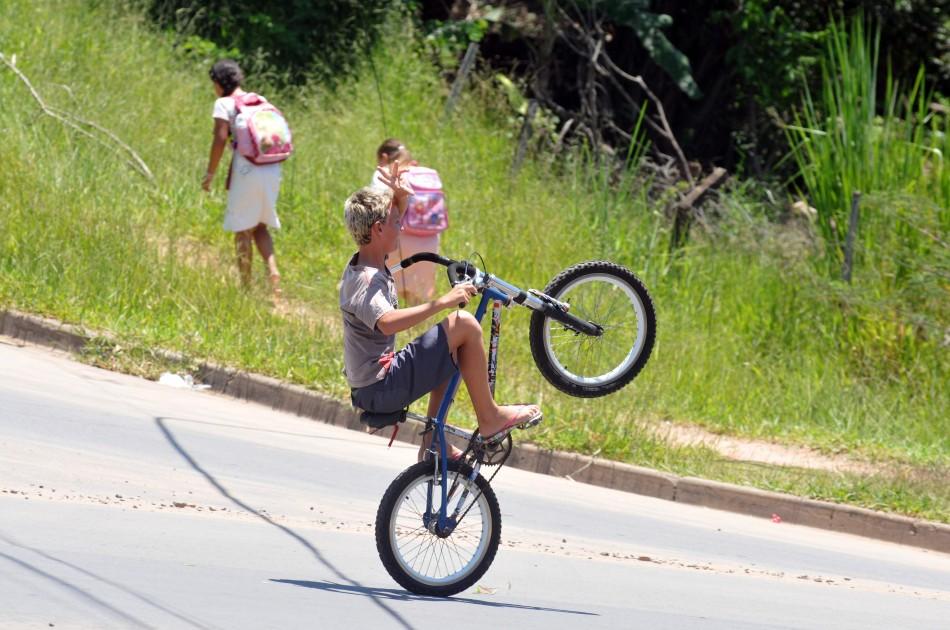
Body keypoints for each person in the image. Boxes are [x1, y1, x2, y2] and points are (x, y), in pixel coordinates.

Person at [341, 162, 542, 461]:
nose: (403, 225)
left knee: (454, 346)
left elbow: (386, 221)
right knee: (463, 323)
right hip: (380, 388)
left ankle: (434, 442)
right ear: (378, 229)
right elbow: (386, 323)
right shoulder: (365, 281)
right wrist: (444, 302)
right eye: (397, 221)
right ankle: (490, 418)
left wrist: (399, 197)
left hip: (378, 383)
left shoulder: (369, 258)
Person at [202, 59, 282, 300]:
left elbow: (219, 138)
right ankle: (273, 271)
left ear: (218, 82)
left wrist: (210, 174)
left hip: (246, 170)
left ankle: (245, 288)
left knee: (241, 229)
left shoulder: (223, 103)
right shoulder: (260, 101)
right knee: (260, 225)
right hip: (271, 168)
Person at [372, 139, 441, 305]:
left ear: (383, 157)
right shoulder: (425, 175)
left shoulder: (385, 172)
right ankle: (419, 329)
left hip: (398, 238)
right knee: (418, 298)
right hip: (430, 241)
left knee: (383, 291)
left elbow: (376, 208)